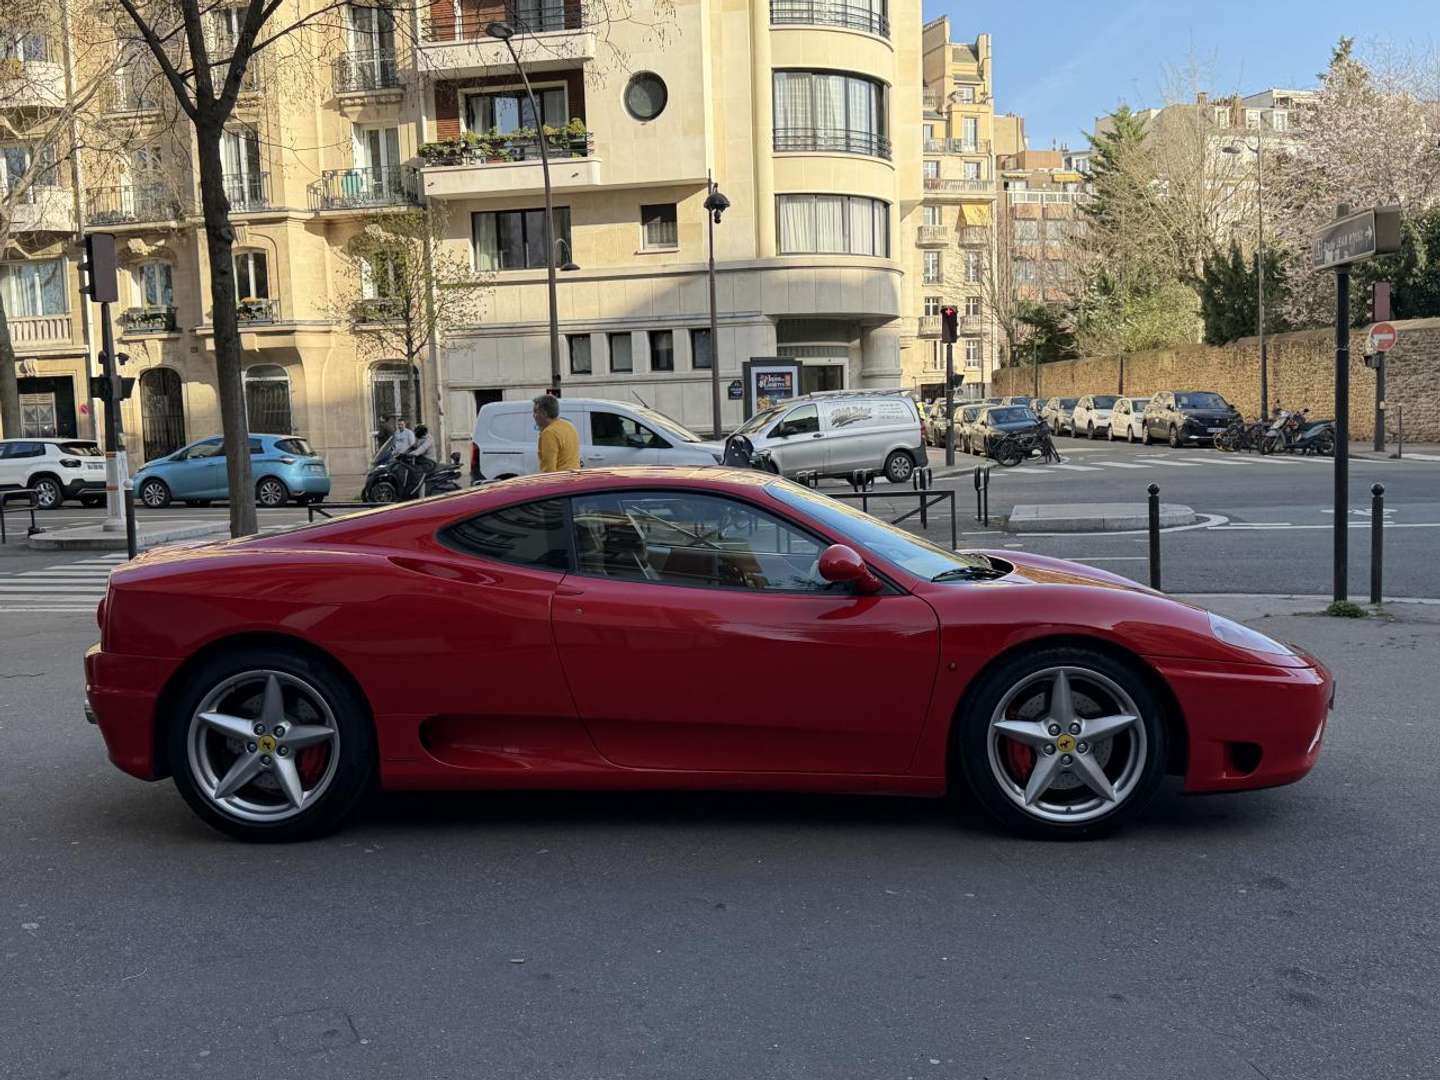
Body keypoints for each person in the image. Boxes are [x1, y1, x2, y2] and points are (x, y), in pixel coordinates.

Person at [533, 394, 580, 473]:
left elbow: (549, 470)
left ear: (544, 413)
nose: (533, 415)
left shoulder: (549, 433)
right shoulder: (569, 426)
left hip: (560, 481)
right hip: (574, 479)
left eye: (535, 411)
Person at [396, 423, 435, 496]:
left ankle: (421, 497)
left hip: (429, 462)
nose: (415, 434)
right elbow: (414, 446)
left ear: (421, 432)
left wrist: (409, 454)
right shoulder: (420, 438)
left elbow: (420, 450)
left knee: (419, 475)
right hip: (421, 460)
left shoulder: (429, 439)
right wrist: (402, 453)